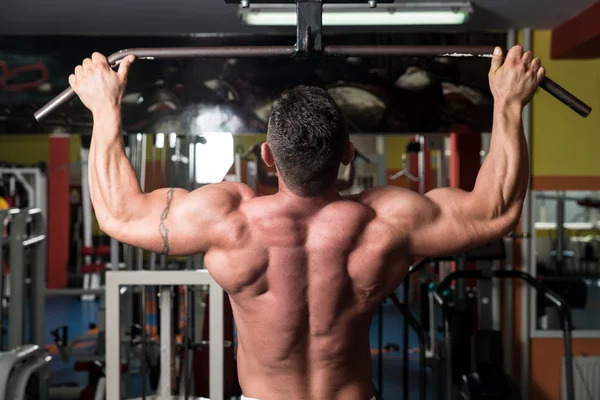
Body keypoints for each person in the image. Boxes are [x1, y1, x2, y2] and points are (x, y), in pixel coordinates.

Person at [69, 45, 544, 400]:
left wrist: (103, 109)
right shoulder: (385, 223)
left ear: (268, 157)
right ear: (348, 155)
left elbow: (118, 213)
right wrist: (508, 104)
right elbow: (495, 210)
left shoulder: (228, 222)